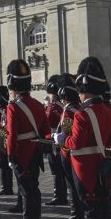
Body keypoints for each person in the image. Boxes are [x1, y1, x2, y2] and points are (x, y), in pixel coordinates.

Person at [58, 57, 111, 219]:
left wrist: (61, 139)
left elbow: (75, 143)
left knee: (93, 211)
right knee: (102, 211)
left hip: (86, 169)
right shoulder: (110, 112)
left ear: (84, 89)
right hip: (103, 166)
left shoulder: (83, 115)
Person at [5, 59, 49, 219]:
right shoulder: (38, 105)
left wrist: (10, 155)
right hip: (35, 151)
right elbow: (45, 130)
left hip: (21, 153)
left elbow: (11, 135)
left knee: (26, 190)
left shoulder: (13, 107)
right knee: (33, 189)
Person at [56, 75, 85, 219]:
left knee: (71, 184)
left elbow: (66, 134)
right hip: (75, 150)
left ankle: (76, 213)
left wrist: (57, 138)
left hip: (68, 151)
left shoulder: (68, 111)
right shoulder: (79, 108)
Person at [44, 76, 67, 207]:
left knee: (57, 169)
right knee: (56, 169)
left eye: (53, 95)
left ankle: (59, 195)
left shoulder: (56, 107)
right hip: (51, 138)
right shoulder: (53, 106)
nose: (51, 97)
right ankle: (58, 193)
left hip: (55, 138)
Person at [0, 86, 14, 198]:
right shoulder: (7, 108)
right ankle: (7, 186)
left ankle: (5, 187)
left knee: (2, 163)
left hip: (0, 138)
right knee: (5, 164)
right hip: (3, 137)